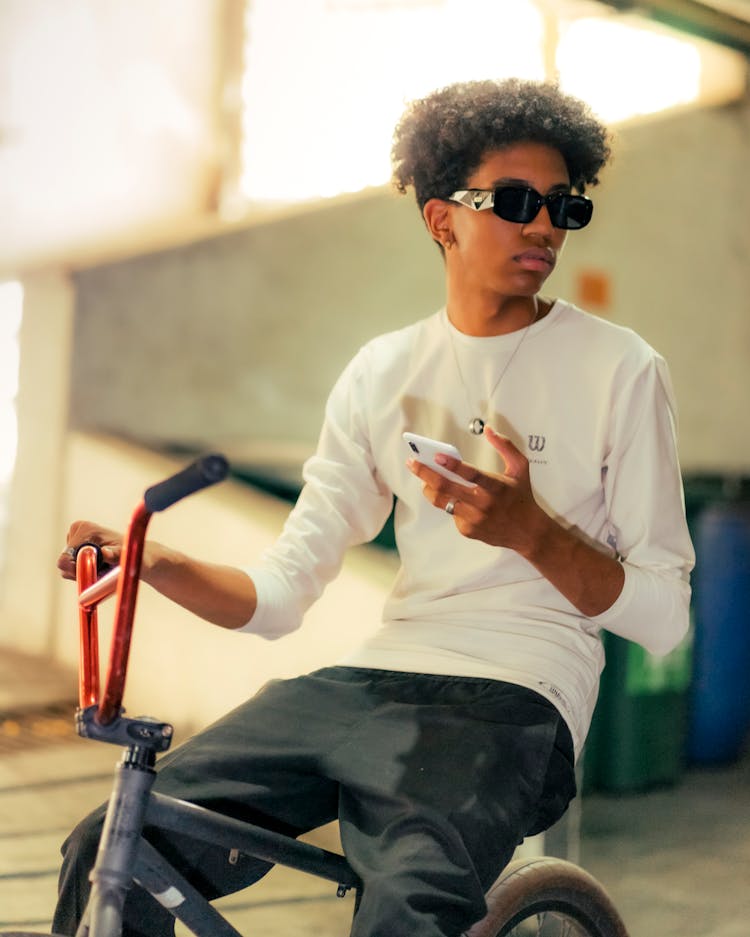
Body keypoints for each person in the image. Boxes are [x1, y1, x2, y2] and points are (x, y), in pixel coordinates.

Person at [53, 78, 694, 937]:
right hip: (369, 679)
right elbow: (281, 594)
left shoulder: (622, 370)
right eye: (513, 201)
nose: (543, 225)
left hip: (516, 692)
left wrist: (532, 533)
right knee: (115, 845)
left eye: (562, 207)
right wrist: (155, 562)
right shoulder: (383, 372)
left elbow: (665, 616)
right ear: (442, 218)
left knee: (407, 908)